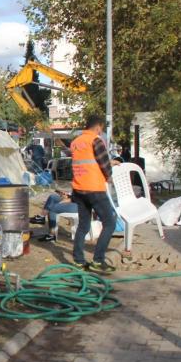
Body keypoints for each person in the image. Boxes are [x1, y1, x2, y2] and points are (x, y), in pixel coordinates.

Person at [70, 114, 117, 272]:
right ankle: (98, 260)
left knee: (83, 225)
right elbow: (103, 162)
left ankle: (78, 260)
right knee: (109, 223)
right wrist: (109, 176)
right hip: (95, 189)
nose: (101, 132)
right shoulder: (95, 140)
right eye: (101, 129)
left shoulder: (76, 142)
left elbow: (86, 162)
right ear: (97, 127)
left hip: (79, 189)